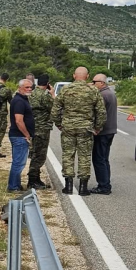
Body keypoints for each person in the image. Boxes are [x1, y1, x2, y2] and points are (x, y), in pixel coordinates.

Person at [52, 66, 104, 195]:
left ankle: (68, 185)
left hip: (68, 128)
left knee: (68, 155)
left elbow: (55, 110)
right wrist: (97, 127)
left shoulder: (65, 89)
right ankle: (83, 187)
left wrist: (59, 124)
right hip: (86, 128)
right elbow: (101, 112)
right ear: (87, 76)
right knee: (84, 156)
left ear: (74, 76)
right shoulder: (93, 90)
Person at [91, 73, 118, 195]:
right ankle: (105, 183)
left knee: (98, 159)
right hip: (110, 130)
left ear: (101, 83)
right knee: (104, 158)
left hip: (103, 131)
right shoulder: (110, 93)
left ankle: (103, 186)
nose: (92, 83)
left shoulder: (102, 95)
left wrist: (97, 128)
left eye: (94, 81)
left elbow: (100, 114)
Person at [27, 74, 54, 190]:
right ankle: (32, 180)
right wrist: (52, 94)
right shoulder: (45, 96)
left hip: (32, 127)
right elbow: (55, 107)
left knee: (35, 153)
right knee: (39, 155)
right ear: (47, 84)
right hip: (42, 129)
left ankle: (36, 178)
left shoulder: (31, 94)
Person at [7, 78, 35, 192]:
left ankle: (16, 184)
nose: (29, 89)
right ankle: (13, 186)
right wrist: (27, 134)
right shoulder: (19, 101)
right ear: (20, 88)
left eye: (30, 87)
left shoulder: (23, 99)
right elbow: (19, 121)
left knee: (18, 162)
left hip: (19, 136)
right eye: (26, 87)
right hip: (19, 136)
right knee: (18, 163)